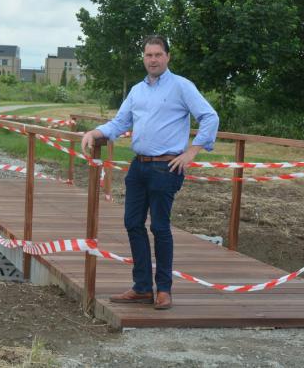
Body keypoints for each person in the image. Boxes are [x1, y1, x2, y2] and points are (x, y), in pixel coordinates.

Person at [81, 35, 219, 310]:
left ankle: (164, 289)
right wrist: (95, 132)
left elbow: (209, 117)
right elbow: (120, 122)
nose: (153, 60)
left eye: (158, 54)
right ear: (143, 57)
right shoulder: (137, 91)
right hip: (139, 165)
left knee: (159, 227)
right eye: (148, 55)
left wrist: (192, 151)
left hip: (166, 167)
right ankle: (142, 287)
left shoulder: (182, 86)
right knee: (133, 224)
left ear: (167, 56)